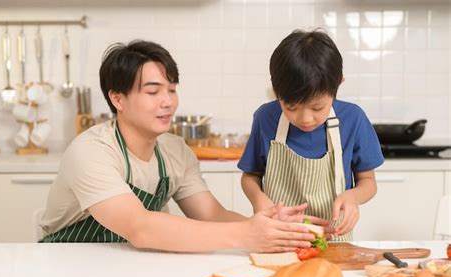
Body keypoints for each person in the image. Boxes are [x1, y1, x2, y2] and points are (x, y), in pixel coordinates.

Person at [39, 40, 330, 252]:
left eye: (172, 89)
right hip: (68, 264)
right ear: (117, 99)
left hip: (131, 265)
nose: (168, 102)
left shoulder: (175, 150)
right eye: (153, 91)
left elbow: (213, 216)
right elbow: (140, 228)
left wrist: (269, 228)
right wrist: (246, 234)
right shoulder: (91, 151)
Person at [238, 29, 384, 241]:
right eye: (291, 106)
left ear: (337, 86)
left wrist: (353, 197)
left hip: (334, 240)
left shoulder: (353, 119)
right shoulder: (266, 118)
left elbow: (368, 181)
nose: (305, 119)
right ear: (276, 91)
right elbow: (250, 177)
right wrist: (260, 201)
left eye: (317, 107)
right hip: (280, 237)